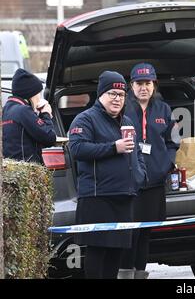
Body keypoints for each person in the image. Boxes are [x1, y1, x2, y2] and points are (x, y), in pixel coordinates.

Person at [68, 70, 147, 279]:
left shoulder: (127, 121)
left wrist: (139, 176)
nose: (117, 99)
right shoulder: (84, 119)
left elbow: (137, 152)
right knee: (97, 251)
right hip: (97, 198)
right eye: (112, 93)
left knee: (116, 253)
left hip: (124, 198)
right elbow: (77, 149)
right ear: (100, 94)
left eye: (121, 95)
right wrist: (114, 147)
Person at [118, 63, 180, 279]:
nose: (143, 87)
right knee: (129, 231)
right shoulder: (122, 108)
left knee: (145, 232)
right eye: (138, 83)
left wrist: (167, 164)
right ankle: (126, 274)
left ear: (154, 85)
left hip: (154, 182)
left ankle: (140, 274)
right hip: (129, 182)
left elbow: (173, 142)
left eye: (148, 83)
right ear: (131, 86)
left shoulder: (164, 109)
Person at [2, 68, 56, 163]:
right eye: (38, 93)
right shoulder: (23, 110)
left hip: (14, 171)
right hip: (28, 171)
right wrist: (46, 113)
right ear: (30, 94)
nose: (39, 96)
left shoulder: (7, 109)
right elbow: (49, 137)